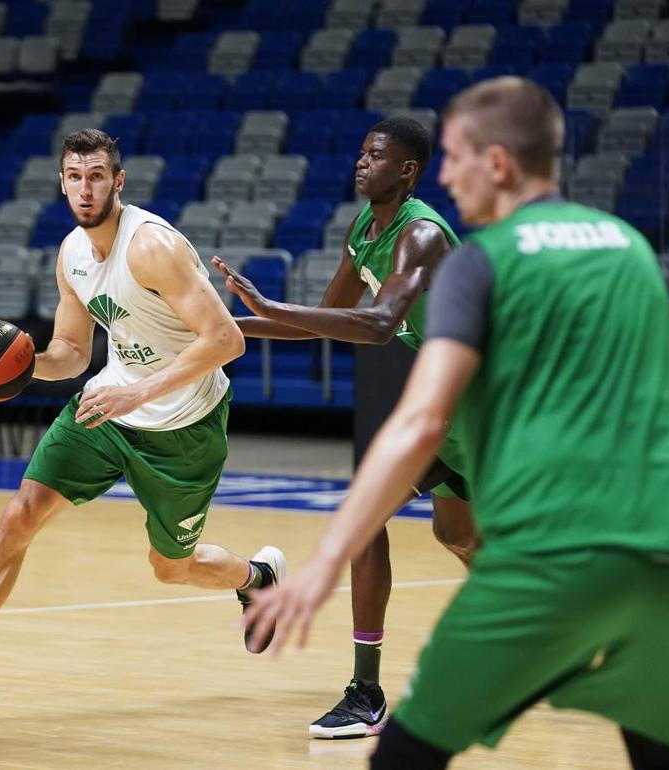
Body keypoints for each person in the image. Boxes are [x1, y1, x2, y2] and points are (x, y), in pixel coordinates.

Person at [243, 77, 669, 770]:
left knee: (404, 758)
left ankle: (371, 688)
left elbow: (417, 422)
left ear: (497, 162)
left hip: (550, 554)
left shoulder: (481, 260)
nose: (444, 174)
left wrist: (321, 563)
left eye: (455, 157)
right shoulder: (629, 247)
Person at [0, 129, 285, 722]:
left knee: (171, 568)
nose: (84, 189)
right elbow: (70, 350)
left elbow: (227, 340)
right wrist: (21, 366)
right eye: (73, 177)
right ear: (61, 183)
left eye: (95, 177)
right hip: (105, 409)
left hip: (184, 425)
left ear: (118, 182)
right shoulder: (71, 254)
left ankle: (258, 575)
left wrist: (139, 389)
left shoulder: (151, 248)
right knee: (20, 515)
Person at [213, 117, 478, 739]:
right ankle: (374, 690)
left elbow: (382, 323)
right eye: (360, 152)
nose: (361, 163)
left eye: (375, 155)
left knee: (418, 529)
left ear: (407, 170)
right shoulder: (366, 228)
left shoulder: (421, 236)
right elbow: (328, 318)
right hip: (448, 400)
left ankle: (370, 692)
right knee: (436, 534)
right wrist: (231, 328)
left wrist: (274, 308)